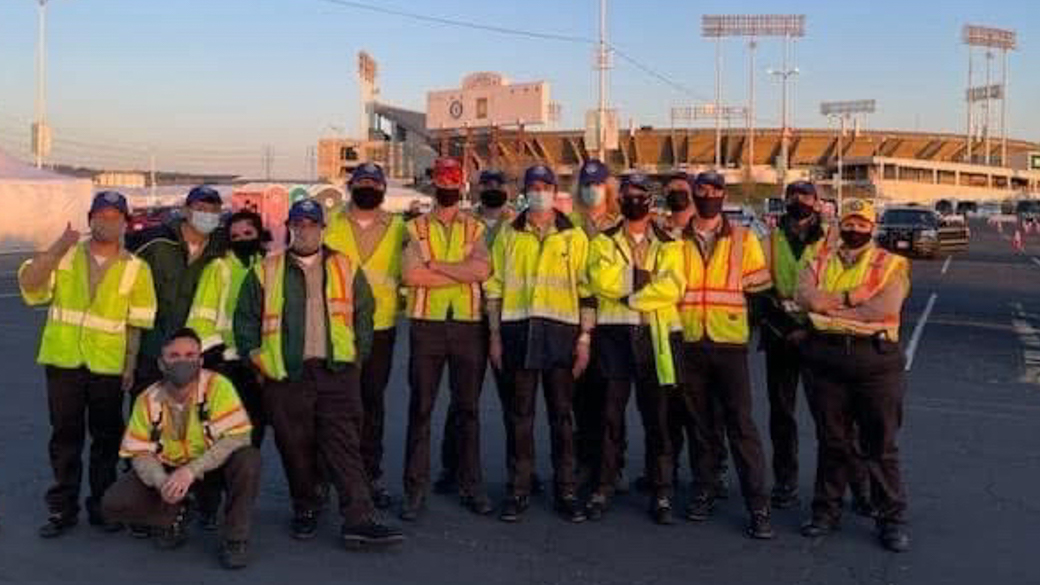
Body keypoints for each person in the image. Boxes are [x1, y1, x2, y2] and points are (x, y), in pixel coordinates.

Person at [235, 198, 403, 547]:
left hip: (336, 372)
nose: (305, 231)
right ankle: (306, 508)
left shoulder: (345, 266)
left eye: (312, 225)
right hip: (286, 375)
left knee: (344, 445)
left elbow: (364, 313)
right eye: (298, 225)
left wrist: (357, 356)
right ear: (289, 228)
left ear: (322, 229)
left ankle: (358, 517)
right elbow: (245, 321)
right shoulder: (266, 270)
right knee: (295, 447)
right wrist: (259, 362)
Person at [18, 191, 157, 538]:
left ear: (125, 223)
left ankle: (103, 507)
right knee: (65, 438)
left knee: (106, 440)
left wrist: (129, 365)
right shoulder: (65, 256)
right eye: (101, 215)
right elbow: (31, 286)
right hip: (64, 362)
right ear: (89, 219)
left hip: (107, 367)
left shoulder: (137, 268)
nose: (107, 222)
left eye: (115, 216)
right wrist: (57, 246)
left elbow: (137, 323)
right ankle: (62, 509)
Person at [795, 198, 912, 553]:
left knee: (881, 445)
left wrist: (831, 309)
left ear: (872, 228)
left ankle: (890, 520)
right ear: (840, 225)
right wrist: (851, 299)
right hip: (827, 359)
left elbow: (883, 308)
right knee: (833, 442)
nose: (855, 229)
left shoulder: (890, 264)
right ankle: (825, 512)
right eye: (849, 223)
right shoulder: (819, 260)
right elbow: (805, 296)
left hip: (875, 361)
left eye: (862, 224)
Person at [485, 164, 592, 523]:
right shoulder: (509, 234)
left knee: (562, 417)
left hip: (561, 334)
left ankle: (566, 489)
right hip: (518, 332)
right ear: (525, 190)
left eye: (546, 186)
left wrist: (584, 339)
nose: (540, 192)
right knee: (520, 417)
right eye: (534, 186)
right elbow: (495, 287)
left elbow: (586, 290)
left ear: (554, 190)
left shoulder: (573, 235)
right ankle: (519, 489)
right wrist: (495, 336)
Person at [103, 328, 259, 569]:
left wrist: (191, 470)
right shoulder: (147, 399)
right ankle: (176, 512)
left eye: (190, 355)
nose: (182, 362)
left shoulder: (218, 386)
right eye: (174, 356)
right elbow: (139, 452)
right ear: (161, 363)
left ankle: (235, 539)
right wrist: (161, 482)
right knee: (114, 503)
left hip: (210, 467)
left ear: (200, 360)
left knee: (248, 459)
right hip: (169, 471)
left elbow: (239, 436)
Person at [678, 171, 775, 539]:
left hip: (729, 344)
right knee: (700, 425)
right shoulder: (677, 239)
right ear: (694, 194)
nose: (708, 195)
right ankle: (705, 488)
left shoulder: (741, 238)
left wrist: (747, 321)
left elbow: (759, 287)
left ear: (723, 195)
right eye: (702, 189)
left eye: (715, 190)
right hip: (690, 341)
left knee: (741, 425)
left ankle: (758, 504)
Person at [585, 173, 685, 524]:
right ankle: (603, 486)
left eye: (639, 195)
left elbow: (674, 286)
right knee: (609, 417)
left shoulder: (670, 243)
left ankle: (661, 492)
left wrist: (629, 294)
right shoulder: (603, 240)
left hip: (655, 336)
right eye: (627, 194)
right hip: (613, 335)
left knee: (658, 418)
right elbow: (600, 279)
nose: (633, 200)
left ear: (650, 201)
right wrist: (643, 281)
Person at [400, 157, 493, 521]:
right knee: (421, 409)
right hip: (427, 326)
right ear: (434, 185)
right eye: (443, 181)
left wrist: (437, 266)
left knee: (468, 410)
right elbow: (412, 276)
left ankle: (471, 484)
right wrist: (461, 273)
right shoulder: (415, 228)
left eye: (454, 181)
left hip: (467, 325)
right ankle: (415, 490)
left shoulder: (475, 228)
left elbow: (483, 270)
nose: (449, 187)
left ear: (461, 185)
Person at [325, 162, 407, 510]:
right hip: (337, 328)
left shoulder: (401, 228)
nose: (368, 187)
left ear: (384, 188)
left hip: (380, 328)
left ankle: (369, 476)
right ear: (351, 186)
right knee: (336, 406)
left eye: (374, 182)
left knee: (372, 405)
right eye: (362, 181)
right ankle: (332, 477)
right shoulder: (330, 223)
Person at [434, 169, 518, 495]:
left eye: (499, 183)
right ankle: (452, 467)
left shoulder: (518, 224)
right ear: (477, 188)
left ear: (508, 188)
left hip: (507, 318)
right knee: (463, 399)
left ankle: (519, 471)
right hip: (468, 317)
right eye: (487, 184)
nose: (493, 188)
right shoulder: (465, 223)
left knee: (514, 400)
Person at [653, 172, 730, 498]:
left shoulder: (706, 232)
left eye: (682, 190)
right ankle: (667, 473)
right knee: (670, 411)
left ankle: (714, 472)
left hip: (706, 334)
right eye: (670, 190)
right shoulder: (660, 232)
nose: (676, 195)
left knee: (709, 412)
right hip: (670, 332)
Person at [757, 180, 829, 509]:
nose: (799, 200)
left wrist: (810, 328)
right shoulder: (769, 241)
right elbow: (758, 290)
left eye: (806, 196)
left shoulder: (830, 241)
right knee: (781, 414)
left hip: (819, 337)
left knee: (829, 416)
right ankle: (785, 480)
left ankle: (833, 486)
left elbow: (835, 287)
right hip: (780, 336)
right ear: (785, 200)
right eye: (793, 195)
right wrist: (784, 328)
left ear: (817, 201)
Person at [129, 185, 228, 393]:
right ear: (185, 210)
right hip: (151, 350)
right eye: (201, 209)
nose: (207, 215)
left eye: (213, 211)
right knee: (147, 407)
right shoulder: (156, 242)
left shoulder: (221, 249)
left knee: (188, 409)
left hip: (192, 354)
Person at [188, 209, 270, 448]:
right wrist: (214, 354)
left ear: (259, 234)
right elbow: (201, 317)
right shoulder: (218, 268)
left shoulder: (272, 267)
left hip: (263, 363)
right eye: (235, 236)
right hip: (227, 363)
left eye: (248, 233)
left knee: (255, 429)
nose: (242, 239)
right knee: (224, 431)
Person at [569, 159, 624, 493]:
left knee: (611, 401)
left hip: (610, 322)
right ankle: (584, 461)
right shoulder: (568, 224)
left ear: (609, 188)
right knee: (580, 398)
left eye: (598, 184)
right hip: (575, 319)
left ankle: (612, 466)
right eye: (587, 185)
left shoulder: (619, 225)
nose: (592, 190)